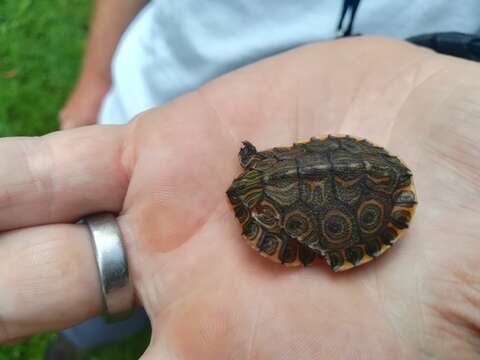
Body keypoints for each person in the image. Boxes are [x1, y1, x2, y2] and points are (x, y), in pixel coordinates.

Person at [0, 36, 480, 359]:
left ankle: (83, 334)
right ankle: (82, 335)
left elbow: (282, 247)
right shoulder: (260, 181)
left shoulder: (272, 216)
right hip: (337, 160)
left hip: (365, 178)